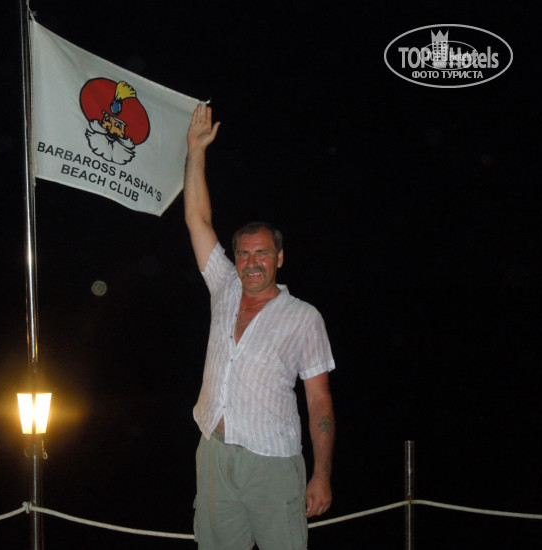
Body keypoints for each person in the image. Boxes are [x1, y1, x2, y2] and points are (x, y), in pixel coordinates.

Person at [185, 104, 336, 550]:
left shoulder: (304, 317)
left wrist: (322, 475)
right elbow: (197, 219)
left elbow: (320, 401)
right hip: (214, 455)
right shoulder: (224, 286)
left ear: (279, 258)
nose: (252, 263)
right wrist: (196, 151)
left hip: (272, 463)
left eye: (262, 253)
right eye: (244, 254)